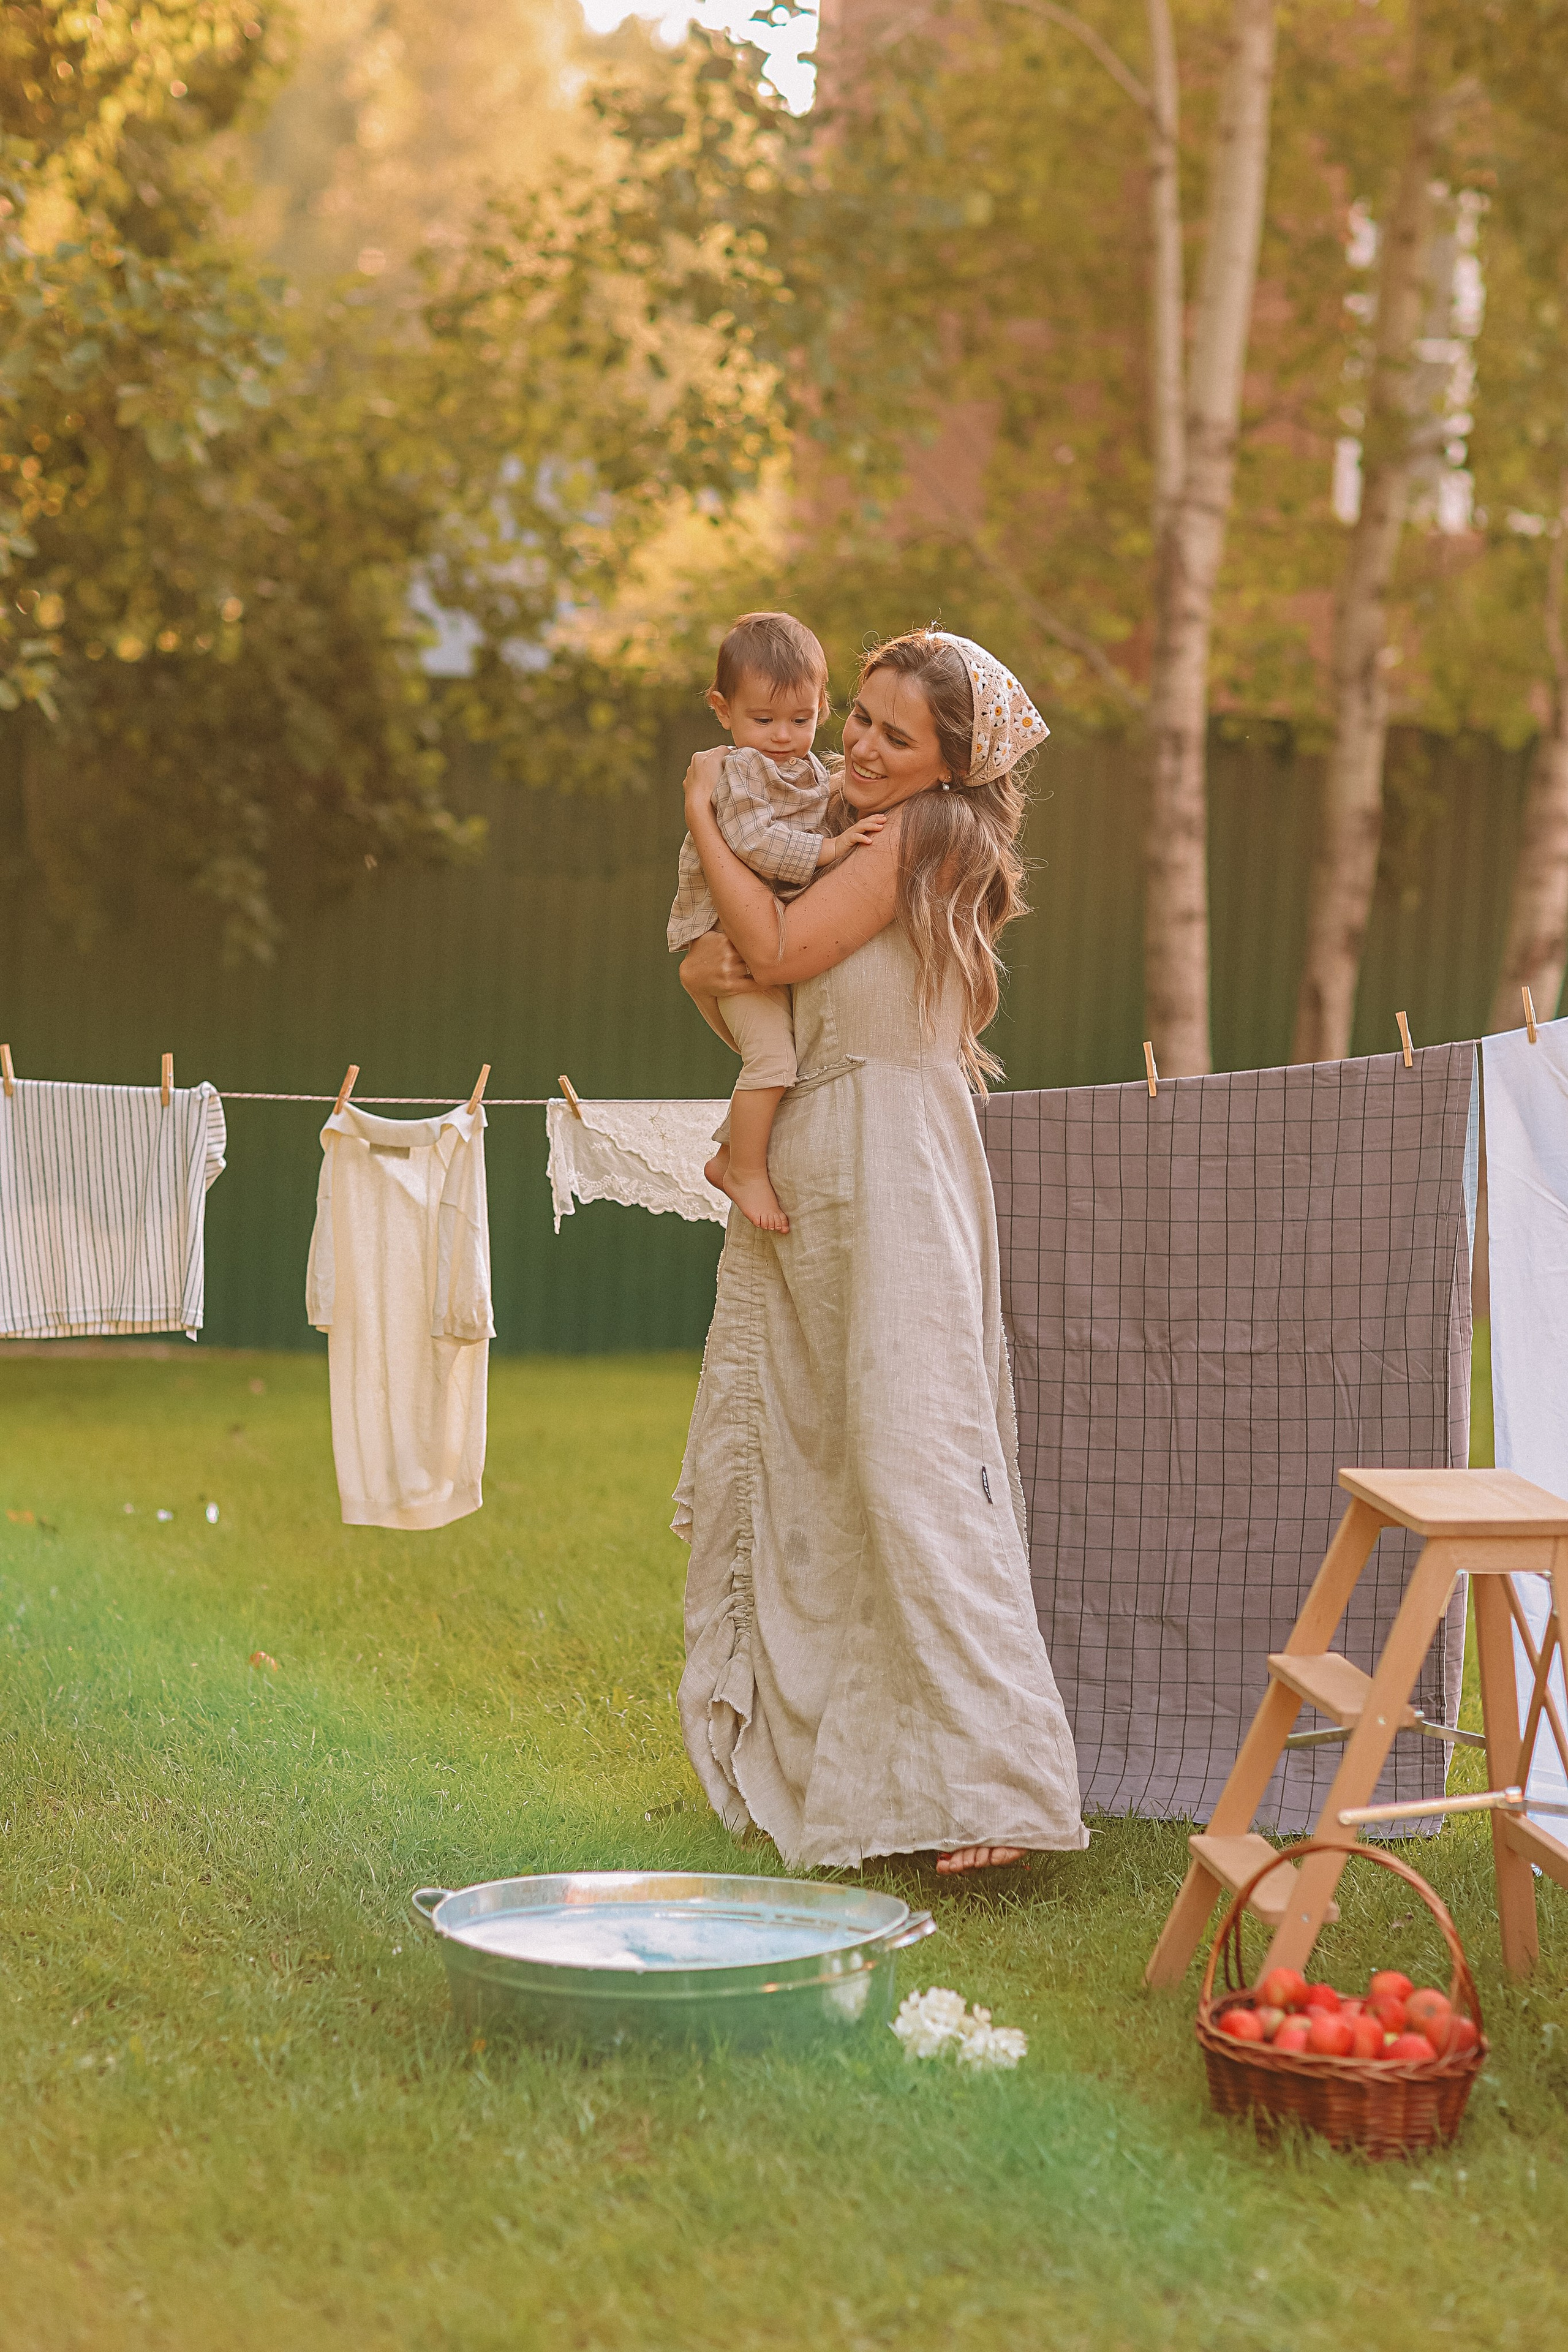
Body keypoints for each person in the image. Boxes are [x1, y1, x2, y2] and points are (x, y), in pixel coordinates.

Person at [673, 627, 1086, 1874]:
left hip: (893, 1170)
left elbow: (779, 952)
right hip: (818, 1166)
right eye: (854, 716)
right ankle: (864, 1777)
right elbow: (732, 960)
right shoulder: (847, 825)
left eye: (890, 735)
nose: (854, 743)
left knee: (917, 1460)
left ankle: (998, 1789)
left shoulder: (924, 834)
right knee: (820, 1462)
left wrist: (705, 815)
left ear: (950, 766)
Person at [668, 611, 886, 1235]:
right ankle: (742, 1168)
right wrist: (830, 852)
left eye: (802, 719)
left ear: (822, 704)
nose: (783, 736)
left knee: (784, 1057)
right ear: (722, 709)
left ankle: (732, 1151)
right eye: (762, 721)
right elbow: (754, 840)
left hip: (761, 941)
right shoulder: (738, 771)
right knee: (773, 1062)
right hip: (728, 940)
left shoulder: (809, 771)